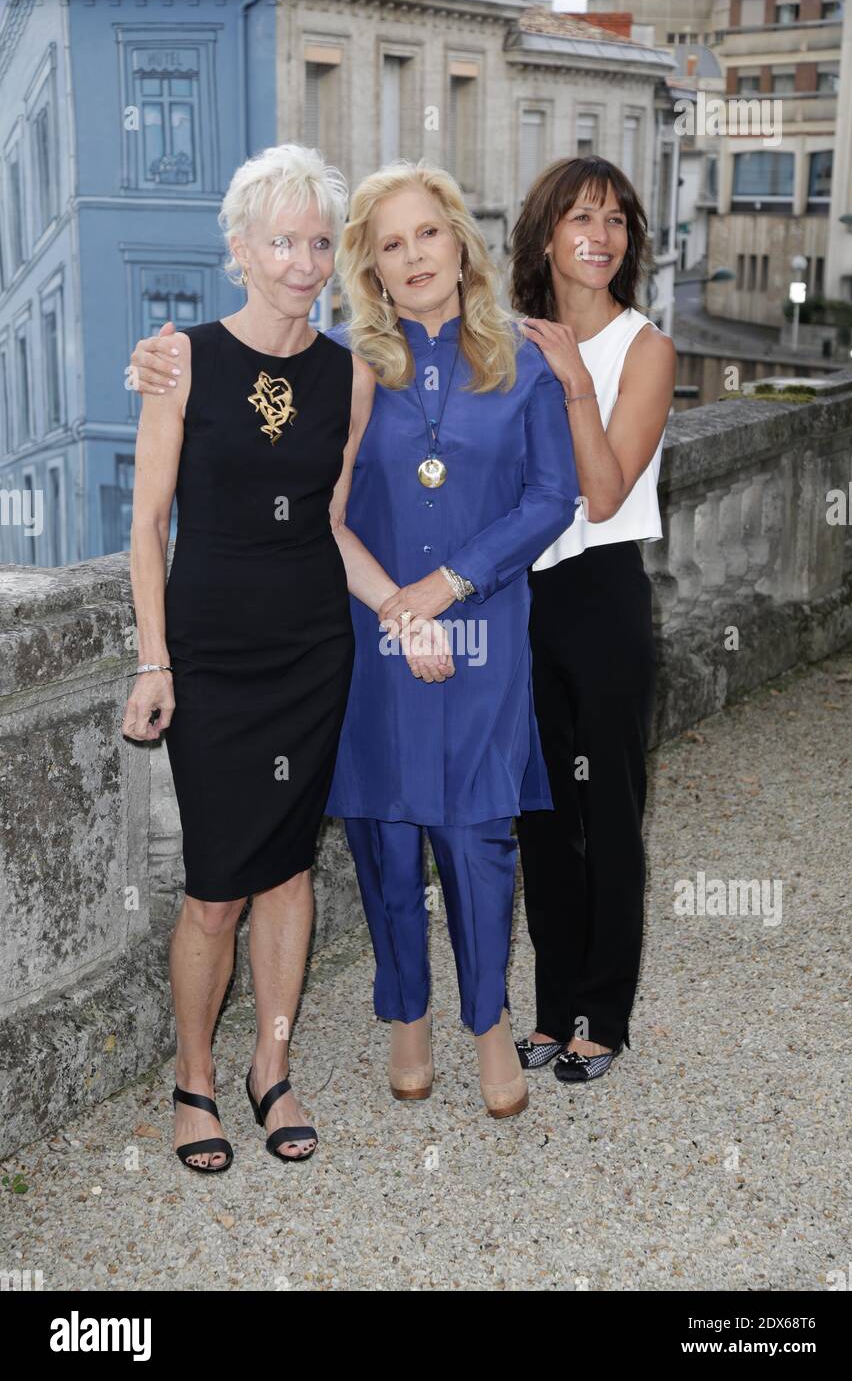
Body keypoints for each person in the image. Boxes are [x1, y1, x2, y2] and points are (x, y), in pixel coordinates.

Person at [131, 156, 579, 1120]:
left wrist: (448, 586)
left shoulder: (526, 358)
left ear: (460, 239)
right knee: (381, 834)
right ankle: (406, 1016)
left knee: (476, 833)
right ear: (368, 269)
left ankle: (490, 1020)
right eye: (388, 243)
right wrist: (155, 360)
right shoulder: (349, 365)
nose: (413, 254)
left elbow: (554, 497)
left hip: (482, 630)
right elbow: (292, 478)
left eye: (428, 232)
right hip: (369, 637)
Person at [123, 144, 443, 1171]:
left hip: (311, 651)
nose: (304, 262)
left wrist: (396, 603)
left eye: (316, 241)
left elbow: (332, 525)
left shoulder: (347, 375)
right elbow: (148, 525)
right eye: (282, 241)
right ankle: (193, 1079)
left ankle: (270, 1065)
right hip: (212, 655)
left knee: (289, 874)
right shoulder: (181, 361)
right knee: (217, 883)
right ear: (240, 250)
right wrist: (151, 661)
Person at [509, 155, 676, 1084]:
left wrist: (574, 379)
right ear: (546, 235)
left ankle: (603, 1014)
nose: (601, 236)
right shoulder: (508, 340)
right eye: (581, 217)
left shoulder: (643, 349)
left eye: (616, 220)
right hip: (521, 594)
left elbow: (605, 496)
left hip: (603, 593)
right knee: (541, 812)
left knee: (608, 811)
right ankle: (550, 1006)